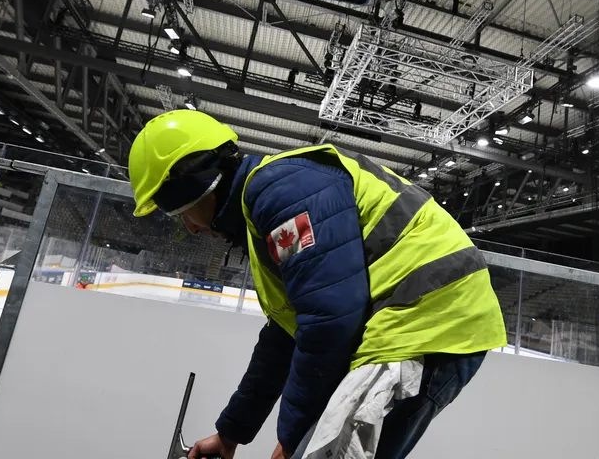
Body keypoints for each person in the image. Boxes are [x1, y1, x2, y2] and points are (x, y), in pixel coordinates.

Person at [128, 110, 506, 459]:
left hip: (425, 319)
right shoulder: (268, 208)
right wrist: (231, 433)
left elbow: (329, 320)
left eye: (178, 212)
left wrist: (290, 439)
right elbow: (283, 338)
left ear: (193, 186)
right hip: (423, 317)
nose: (190, 227)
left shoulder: (281, 194)